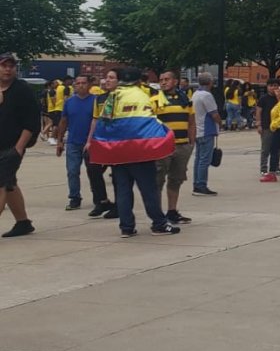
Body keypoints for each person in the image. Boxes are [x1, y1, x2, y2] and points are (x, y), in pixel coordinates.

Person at [87, 67, 179, 237]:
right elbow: (156, 115)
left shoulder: (112, 97)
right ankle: (158, 224)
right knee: (148, 189)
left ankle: (126, 227)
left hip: (118, 151)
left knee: (122, 190)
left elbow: (104, 122)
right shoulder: (144, 94)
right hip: (140, 150)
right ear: (139, 81)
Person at [0, 52, 38, 238]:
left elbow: (31, 122)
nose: (7, 69)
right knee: (9, 184)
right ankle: (23, 223)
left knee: (1, 183)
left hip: (12, 146)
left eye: (11, 66)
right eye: (4, 65)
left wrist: (19, 147)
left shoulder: (22, 89)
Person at [151, 71, 196, 225]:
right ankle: (157, 215)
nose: (163, 82)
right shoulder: (155, 100)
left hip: (182, 145)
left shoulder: (186, 100)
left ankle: (172, 211)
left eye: (167, 79)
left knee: (176, 180)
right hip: (162, 147)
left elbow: (191, 122)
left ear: (175, 81)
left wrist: (191, 143)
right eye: (161, 80)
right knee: (157, 180)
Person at [56, 75, 95, 211]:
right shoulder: (69, 102)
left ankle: (98, 197)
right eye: (78, 83)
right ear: (74, 86)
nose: (81, 85)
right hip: (73, 142)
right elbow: (63, 121)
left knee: (93, 172)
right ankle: (74, 197)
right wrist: (60, 141)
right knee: (72, 171)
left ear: (89, 85)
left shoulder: (95, 101)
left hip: (91, 143)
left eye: (84, 83)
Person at [190, 74, 221, 197]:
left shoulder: (195, 94)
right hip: (207, 130)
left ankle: (196, 183)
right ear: (210, 82)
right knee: (205, 160)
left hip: (198, 129)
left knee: (199, 158)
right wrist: (220, 122)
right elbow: (214, 114)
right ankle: (201, 185)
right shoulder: (207, 96)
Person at [257, 78, 279, 177]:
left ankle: (275, 168)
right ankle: (263, 168)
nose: (273, 88)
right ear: (267, 87)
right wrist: (259, 124)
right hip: (266, 127)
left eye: (275, 85)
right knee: (265, 149)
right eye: (271, 86)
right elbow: (258, 112)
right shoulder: (263, 99)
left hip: (278, 127)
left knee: (277, 149)